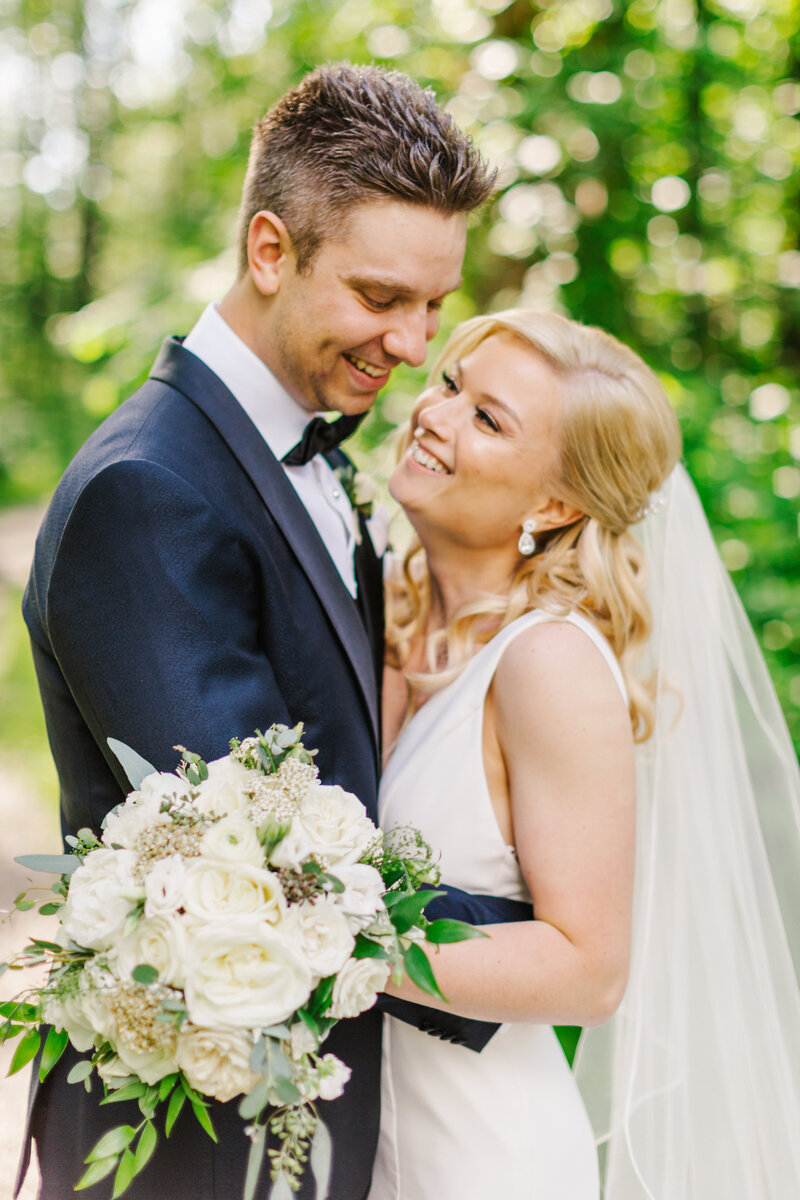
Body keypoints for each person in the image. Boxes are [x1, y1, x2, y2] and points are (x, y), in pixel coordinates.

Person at [18, 64, 528, 1200]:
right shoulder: (148, 490)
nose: (412, 343)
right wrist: (545, 943)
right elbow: (259, 859)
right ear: (267, 251)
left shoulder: (303, 447)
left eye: (433, 307)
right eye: (381, 297)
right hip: (201, 1138)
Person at [367, 309, 800, 1199]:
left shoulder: (546, 661)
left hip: (477, 1160)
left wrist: (328, 945)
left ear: (555, 505)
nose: (436, 416)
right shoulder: (386, 610)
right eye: (451, 384)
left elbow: (588, 968)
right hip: (366, 1141)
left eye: (488, 418)